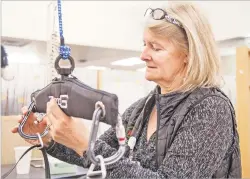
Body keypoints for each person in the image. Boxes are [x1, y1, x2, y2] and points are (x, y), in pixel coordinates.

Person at [12, 2, 241, 178]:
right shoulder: (143, 108)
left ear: (189, 55)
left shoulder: (211, 109)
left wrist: (86, 144)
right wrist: (47, 137)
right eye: (144, 44)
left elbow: (92, 150)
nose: (143, 55)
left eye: (156, 47)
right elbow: (94, 155)